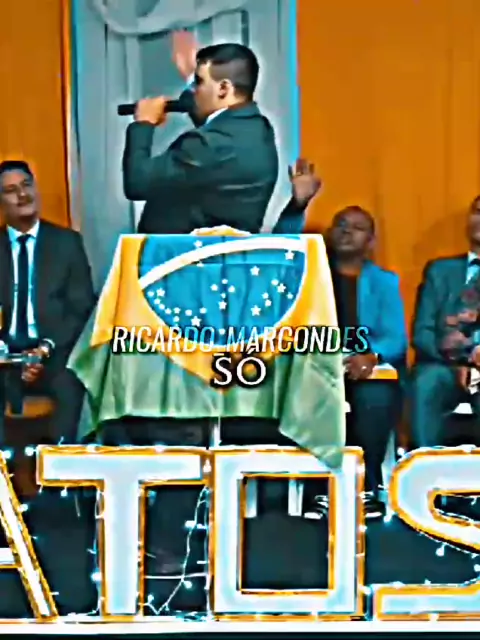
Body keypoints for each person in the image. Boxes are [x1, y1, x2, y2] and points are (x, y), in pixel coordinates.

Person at [123, 38, 314, 234]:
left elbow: (137, 183)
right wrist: (192, 78)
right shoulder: (259, 129)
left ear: (224, 88)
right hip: (226, 250)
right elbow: (209, 117)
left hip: (183, 252)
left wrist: (143, 124)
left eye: (199, 82)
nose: (194, 90)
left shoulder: (207, 144)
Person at [307, 206, 407, 519]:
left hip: (366, 369)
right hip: (317, 368)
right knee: (311, 395)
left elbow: (396, 338)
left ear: (371, 241)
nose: (346, 231)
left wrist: (371, 356)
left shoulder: (383, 282)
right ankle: (321, 487)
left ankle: (367, 485)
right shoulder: (309, 277)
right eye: (341, 224)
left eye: (357, 227)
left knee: (375, 397)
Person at [0, 160, 96, 446]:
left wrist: (44, 348)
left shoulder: (67, 243)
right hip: (4, 357)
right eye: (11, 190)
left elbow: (81, 309)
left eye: (26, 185)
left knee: (70, 383)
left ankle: (59, 468)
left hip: (53, 354)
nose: (22, 195)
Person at [411, 195, 480, 448]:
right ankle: (423, 464)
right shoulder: (439, 271)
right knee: (426, 382)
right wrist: (456, 361)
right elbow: (423, 332)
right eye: (478, 211)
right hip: (443, 366)